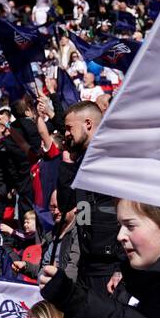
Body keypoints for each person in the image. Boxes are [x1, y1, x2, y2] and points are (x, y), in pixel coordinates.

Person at [55, 102, 122, 293]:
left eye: (69, 128)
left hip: (109, 265)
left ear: (88, 124)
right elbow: (66, 202)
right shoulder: (81, 160)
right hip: (86, 263)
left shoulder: (112, 156)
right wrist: (67, 162)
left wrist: (120, 267)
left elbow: (127, 213)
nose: (66, 134)